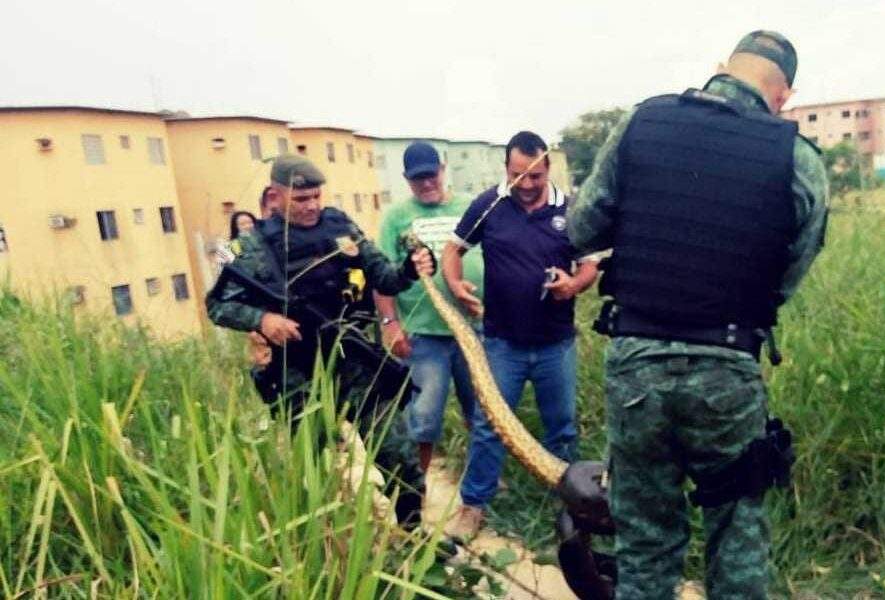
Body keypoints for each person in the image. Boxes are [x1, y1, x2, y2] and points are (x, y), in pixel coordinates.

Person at [568, 31, 828, 598]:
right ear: (783, 93)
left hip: (636, 364)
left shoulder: (643, 123)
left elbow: (582, 228)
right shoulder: (798, 159)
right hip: (728, 369)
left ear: (721, 69)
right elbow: (786, 277)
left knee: (644, 544)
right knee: (736, 537)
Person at [206, 153, 435, 524]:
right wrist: (262, 319)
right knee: (313, 467)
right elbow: (216, 305)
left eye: (316, 196)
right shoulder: (249, 246)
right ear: (275, 196)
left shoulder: (340, 226)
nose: (312, 206)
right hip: (298, 372)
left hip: (353, 360)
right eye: (301, 199)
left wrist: (410, 269)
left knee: (398, 454)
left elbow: (384, 277)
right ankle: (329, 545)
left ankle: (413, 532)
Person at [442, 131, 600, 539]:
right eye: (518, 176)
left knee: (561, 427)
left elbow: (589, 266)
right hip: (502, 344)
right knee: (489, 425)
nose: (527, 186)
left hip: (555, 344)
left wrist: (572, 284)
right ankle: (473, 506)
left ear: (548, 169)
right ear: (506, 169)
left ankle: (566, 506)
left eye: (535, 176)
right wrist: (456, 285)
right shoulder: (489, 204)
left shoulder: (570, 208)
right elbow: (452, 250)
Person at [374, 142, 483, 474]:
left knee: (481, 412)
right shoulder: (396, 217)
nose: (426, 183)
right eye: (417, 178)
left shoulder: (471, 207)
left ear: (443, 169)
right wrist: (390, 324)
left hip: (474, 330)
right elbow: (381, 275)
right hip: (422, 336)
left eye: (431, 175)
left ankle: (482, 481)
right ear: (407, 179)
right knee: (423, 419)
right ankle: (417, 485)